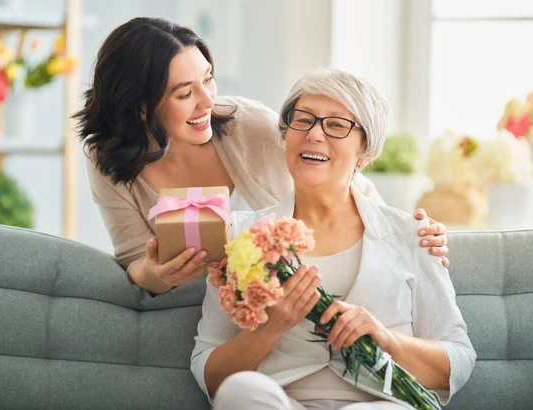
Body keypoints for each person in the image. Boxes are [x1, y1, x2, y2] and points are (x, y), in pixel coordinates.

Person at [75, 17, 449, 295]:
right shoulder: (107, 158)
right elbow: (132, 260)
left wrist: (408, 235)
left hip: (307, 290)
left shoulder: (244, 123)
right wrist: (156, 275)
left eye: (208, 79)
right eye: (184, 93)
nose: (208, 101)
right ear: (141, 107)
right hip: (212, 315)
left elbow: (346, 182)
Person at [191, 68, 476, 410]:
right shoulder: (241, 236)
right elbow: (210, 372)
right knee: (241, 392)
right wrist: (270, 328)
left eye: (337, 125)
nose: (314, 134)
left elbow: (457, 359)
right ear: (285, 134)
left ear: (365, 149)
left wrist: (386, 340)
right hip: (279, 402)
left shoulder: (413, 236)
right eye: (303, 120)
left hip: (378, 404)